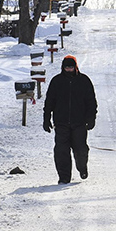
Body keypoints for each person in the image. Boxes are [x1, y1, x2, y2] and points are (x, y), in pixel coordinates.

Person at [43, 55, 97, 184]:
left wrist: (91, 118)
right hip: (61, 122)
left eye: (71, 67)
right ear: (63, 67)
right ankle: (64, 177)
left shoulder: (84, 81)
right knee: (61, 151)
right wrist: (46, 118)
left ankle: (82, 167)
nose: (69, 69)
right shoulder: (56, 81)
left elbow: (91, 102)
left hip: (80, 123)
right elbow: (49, 101)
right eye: (66, 67)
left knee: (80, 149)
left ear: (76, 67)